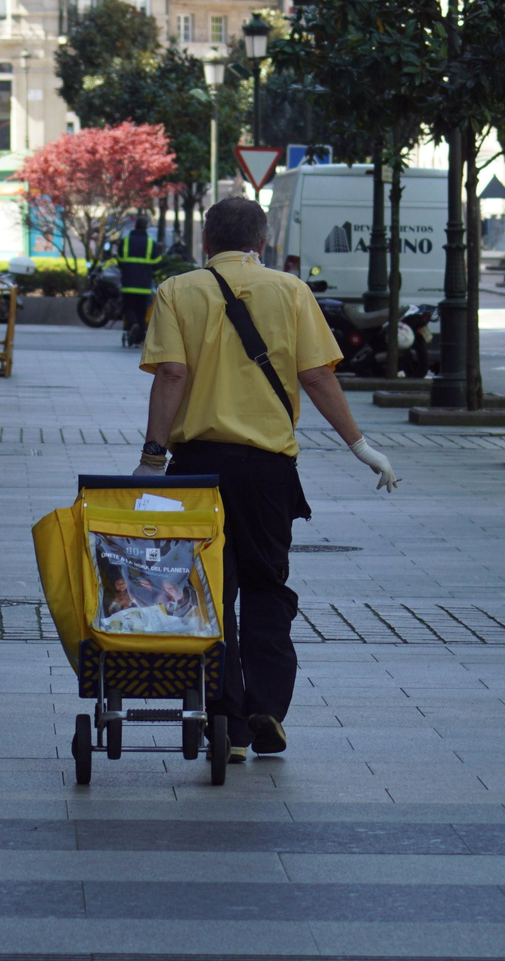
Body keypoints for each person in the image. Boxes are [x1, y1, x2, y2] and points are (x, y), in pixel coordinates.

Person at [134, 195, 399, 763]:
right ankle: (267, 709)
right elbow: (316, 377)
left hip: (199, 469)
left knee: (207, 593)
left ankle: (224, 720)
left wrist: (153, 458)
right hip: (268, 471)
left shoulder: (178, 291)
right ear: (260, 243)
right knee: (266, 586)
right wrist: (361, 444)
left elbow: (173, 374)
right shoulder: (291, 291)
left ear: (206, 242)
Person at [116, 213, 164, 345]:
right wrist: (154, 274)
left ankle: (132, 325)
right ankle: (139, 338)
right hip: (144, 284)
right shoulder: (150, 243)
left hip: (128, 283)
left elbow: (119, 261)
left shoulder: (125, 242)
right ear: (146, 227)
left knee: (128, 307)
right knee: (141, 311)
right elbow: (158, 263)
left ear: (135, 226)